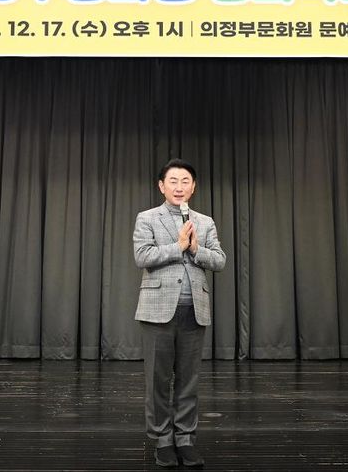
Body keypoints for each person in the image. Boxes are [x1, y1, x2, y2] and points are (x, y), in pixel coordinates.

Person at [133, 158, 226, 468]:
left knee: (188, 381)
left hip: (194, 310)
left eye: (185, 181)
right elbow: (142, 256)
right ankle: (162, 440)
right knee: (157, 381)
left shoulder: (205, 222)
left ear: (193, 187)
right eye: (173, 181)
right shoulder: (147, 218)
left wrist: (196, 249)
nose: (179, 186)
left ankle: (185, 439)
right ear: (162, 186)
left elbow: (220, 260)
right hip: (157, 311)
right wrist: (179, 246)